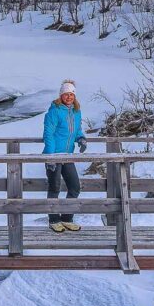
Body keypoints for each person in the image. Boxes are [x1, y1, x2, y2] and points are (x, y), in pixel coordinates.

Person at [43, 79, 87, 233]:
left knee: (75, 187)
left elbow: (76, 130)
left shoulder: (76, 111)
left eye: (71, 94)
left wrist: (81, 138)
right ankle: (54, 220)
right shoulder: (54, 111)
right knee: (54, 187)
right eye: (66, 94)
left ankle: (67, 219)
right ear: (61, 95)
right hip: (54, 155)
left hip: (68, 155)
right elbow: (48, 134)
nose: (69, 97)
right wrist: (50, 157)